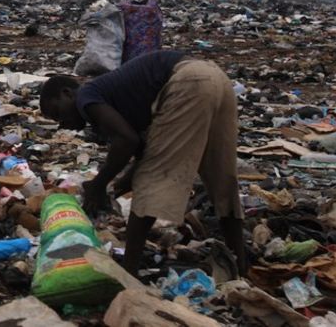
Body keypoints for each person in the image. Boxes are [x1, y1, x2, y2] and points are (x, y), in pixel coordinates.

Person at [39, 51, 246, 277]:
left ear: (67, 93)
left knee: (151, 180)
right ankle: (241, 267)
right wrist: (116, 188)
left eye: (59, 113)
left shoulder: (86, 97)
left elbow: (127, 141)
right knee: (222, 181)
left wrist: (98, 184)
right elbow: (144, 151)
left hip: (188, 82)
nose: (64, 124)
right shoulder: (113, 97)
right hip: (217, 79)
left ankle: (128, 273)